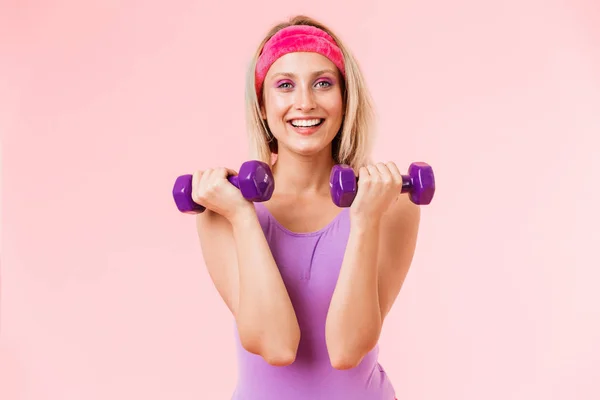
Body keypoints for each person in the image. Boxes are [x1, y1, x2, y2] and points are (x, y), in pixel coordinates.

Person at [191, 15, 421, 400]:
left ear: (345, 99)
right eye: (284, 85)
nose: (305, 102)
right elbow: (276, 346)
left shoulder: (392, 204)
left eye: (322, 83)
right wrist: (244, 218)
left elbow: (348, 349)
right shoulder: (222, 210)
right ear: (262, 106)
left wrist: (363, 222)